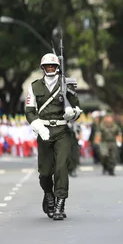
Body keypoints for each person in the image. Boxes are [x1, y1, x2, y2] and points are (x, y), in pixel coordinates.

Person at [25, 53, 83, 220]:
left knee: (61, 167)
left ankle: (60, 203)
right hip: (43, 131)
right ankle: (48, 193)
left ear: (57, 67)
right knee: (44, 172)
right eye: (47, 66)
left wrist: (72, 114)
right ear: (43, 68)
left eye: (53, 66)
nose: (50, 68)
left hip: (62, 131)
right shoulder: (34, 86)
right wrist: (38, 126)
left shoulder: (67, 84)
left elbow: (77, 107)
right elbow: (29, 111)